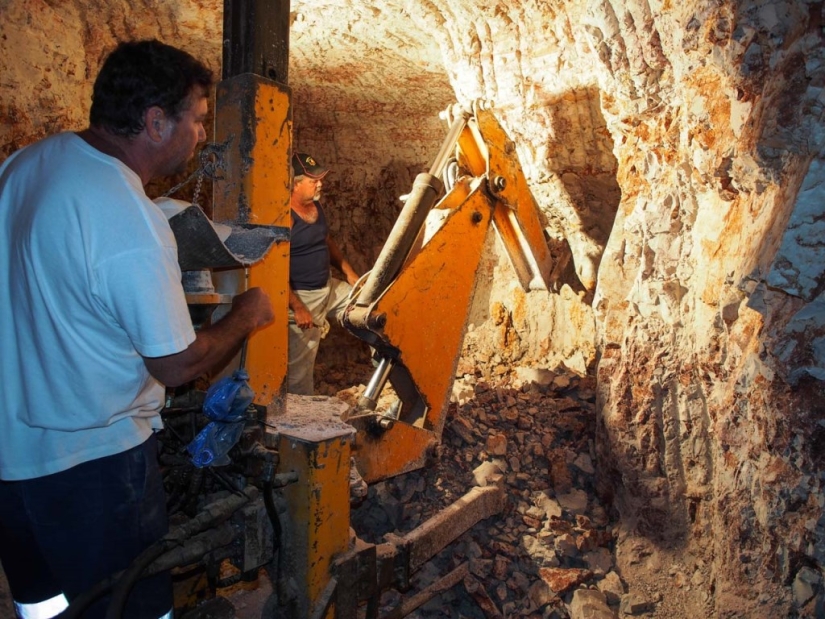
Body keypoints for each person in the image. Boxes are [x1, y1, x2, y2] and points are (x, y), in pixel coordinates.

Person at [0, 40, 273, 619]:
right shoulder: (127, 217)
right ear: (155, 122)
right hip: (93, 466)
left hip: (12, 454)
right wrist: (243, 316)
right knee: (130, 607)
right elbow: (175, 365)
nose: (201, 134)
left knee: (45, 605)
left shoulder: (25, 165)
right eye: (197, 120)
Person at [288, 152, 360, 395]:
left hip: (328, 289)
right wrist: (297, 307)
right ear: (295, 184)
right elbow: (273, 271)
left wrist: (349, 274)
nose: (320, 184)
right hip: (302, 297)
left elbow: (326, 240)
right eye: (313, 180)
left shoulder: (315, 205)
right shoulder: (284, 217)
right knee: (299, 373)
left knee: (368, 306)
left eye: (320, 178)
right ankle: (297, 420)